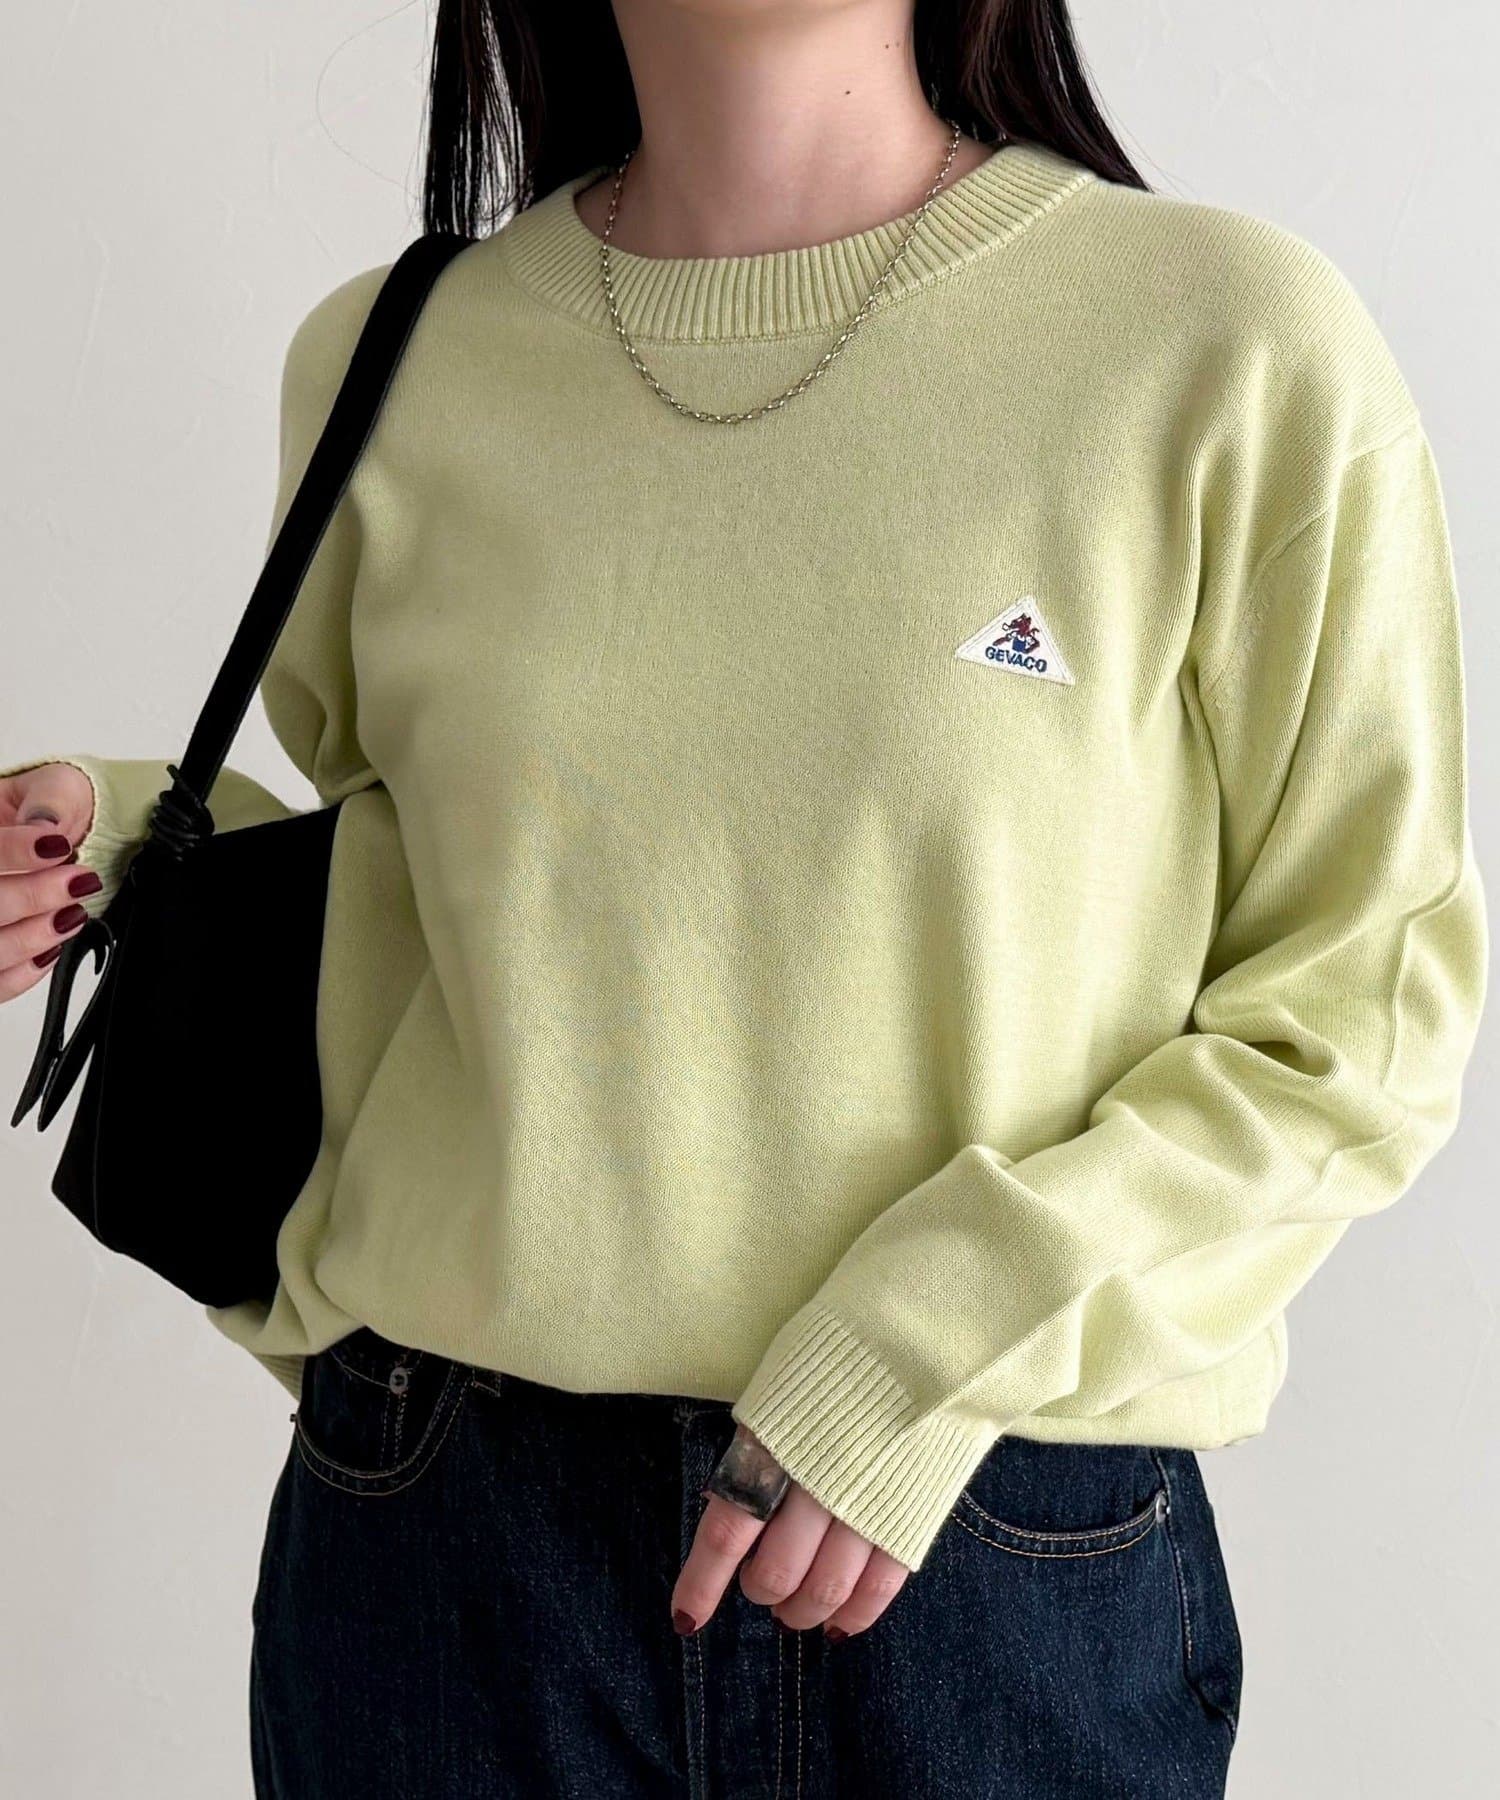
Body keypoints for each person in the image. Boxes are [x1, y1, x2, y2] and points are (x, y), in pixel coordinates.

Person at [1, 2, 1487, 1795]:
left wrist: (919, 1353)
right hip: (450, 1554)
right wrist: (121, 834)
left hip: (986, 1540)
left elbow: (1360, 1009)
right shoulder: (388, 364)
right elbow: (439, 905)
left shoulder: (1225, 343)